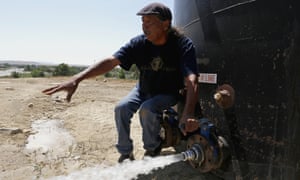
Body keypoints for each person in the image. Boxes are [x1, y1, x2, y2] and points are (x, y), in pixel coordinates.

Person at [42, 2, 199, 163]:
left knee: (147, 109)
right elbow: (111, 61)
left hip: (167, 92)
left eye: (149, 22)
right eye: (142, 22)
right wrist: (77, 79)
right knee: (121, 108)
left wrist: (188, 113)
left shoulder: (181, 44)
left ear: (165, 24)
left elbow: (192, 79)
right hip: (143, 88)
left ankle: (152, 149)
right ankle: (125, 153)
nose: (144, 27)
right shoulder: (139, 43)